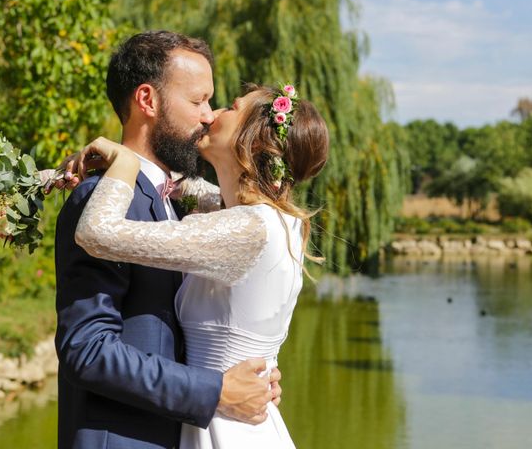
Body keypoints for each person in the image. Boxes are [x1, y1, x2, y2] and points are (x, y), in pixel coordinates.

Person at [55, 31, 282, 449]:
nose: (209, 115)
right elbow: (86, 350)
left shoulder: (170, 201)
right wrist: (215, 390)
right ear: (148, 100)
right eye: (197, 100)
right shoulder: (99, 200)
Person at [71, 83, 329, 447]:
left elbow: (97, 233)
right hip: (236, 415)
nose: (212, 114)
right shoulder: (274, 221)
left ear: (253, 141)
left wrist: (125, 163)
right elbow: (185, 189)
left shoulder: (246, 229)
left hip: (226, 424)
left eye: (231, 108)